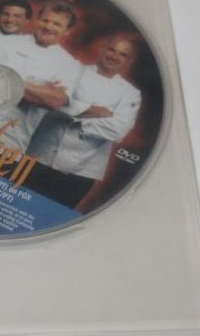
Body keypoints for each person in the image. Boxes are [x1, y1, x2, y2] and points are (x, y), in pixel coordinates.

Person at [25, 36, 141, 209]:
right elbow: (50, 101)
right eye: (111, 50)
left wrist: (76, 120)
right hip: (38, 157)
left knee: (54, 218)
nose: (115, 56)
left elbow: (118, 130)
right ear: (102, 49)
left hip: (82, 171)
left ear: (129, 61)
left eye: (122, 54)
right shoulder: (72, 70)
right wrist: (94, 111)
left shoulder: (131, 93)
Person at [0, 2, 80, 153]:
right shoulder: (4, 42)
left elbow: (54, 101)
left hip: (9, 141)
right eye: (45, 20)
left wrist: (0, 76)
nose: (48, 27)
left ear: (67, 31)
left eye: (57, 24)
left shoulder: (70, 64)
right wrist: (38, 90)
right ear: (36, 20)